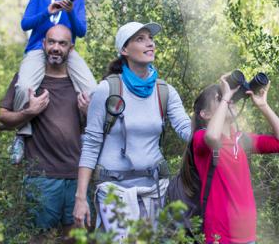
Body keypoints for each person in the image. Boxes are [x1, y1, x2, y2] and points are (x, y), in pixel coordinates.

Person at [73, 21, 192, 240]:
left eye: (151, 39)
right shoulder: (107, 89)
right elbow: (91, 143)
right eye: (140, 39)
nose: (150, 43)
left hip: (155, 189)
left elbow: (187, 131)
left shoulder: (165, 91)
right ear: (124, 50)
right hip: (113, 190)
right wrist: (81, 198)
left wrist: (217, 118)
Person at [0, 25, 90, 240]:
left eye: (62, 43)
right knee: (39, 238)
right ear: (43, 44)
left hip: (77, 176)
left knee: (77, 238)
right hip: (41, 177)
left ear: (71, 48)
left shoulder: (79, 83)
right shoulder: (28, 81)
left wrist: (87, 113)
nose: (56, 48)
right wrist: (28, 112)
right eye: (51, 42)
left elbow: (96, 129)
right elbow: (2, 118)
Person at [180, 74, 279, 244]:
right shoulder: (200, 138)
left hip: (247, 235)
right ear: (205, 114)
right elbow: (212, 136)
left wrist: (263, 105)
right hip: (219, 236)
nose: (230, 99)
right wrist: (226, 97)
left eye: (230, 96)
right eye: (219, 97)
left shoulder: (241, 139)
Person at [11, 0, 96, 157]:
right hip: (39, 49)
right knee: (23, 87)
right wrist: (47, 12)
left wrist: (71, 13)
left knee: (92, 89)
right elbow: (25, 24)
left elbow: (81, 31)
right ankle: (22, 134)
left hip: (67, 51)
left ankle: (84, 131)